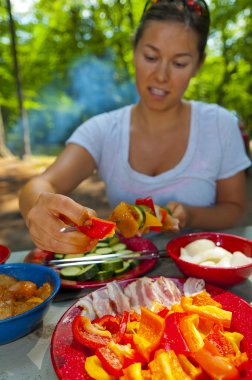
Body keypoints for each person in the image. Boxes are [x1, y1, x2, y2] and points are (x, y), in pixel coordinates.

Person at [19, 0, 251, 254]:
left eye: (179, 63)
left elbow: (236, 209)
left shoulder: (220, 125)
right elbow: (41, 184)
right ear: (134, 50)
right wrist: (38, 207)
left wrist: (192, 216)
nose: (161, 75)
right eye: (151, 57)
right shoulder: (103, 130)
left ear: (198, 64)